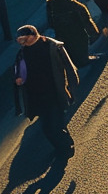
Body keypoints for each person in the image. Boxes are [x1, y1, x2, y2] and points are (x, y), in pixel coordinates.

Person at [13, 24, 78, 156]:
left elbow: (69, 67)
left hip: (54, 93)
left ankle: (67, 148)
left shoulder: (52, 46)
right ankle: (61, 147)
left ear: (33, 35)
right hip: (37, 97)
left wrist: (72, 87)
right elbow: (18, 72)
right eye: (20, 41)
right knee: (47, 128)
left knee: (55, 125)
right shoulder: (22, 53)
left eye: (24, 39)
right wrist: (18, 78)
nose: (23, 43)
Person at [45, 0, 100, 70]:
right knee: (80, 45)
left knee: (68, 48)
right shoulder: (73, 5)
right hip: (77, 33)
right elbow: (86, 20)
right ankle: (83, 60)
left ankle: (72, 63)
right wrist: (93, 33)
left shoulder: (50, 5)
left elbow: (50, 21)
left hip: (61, 34)